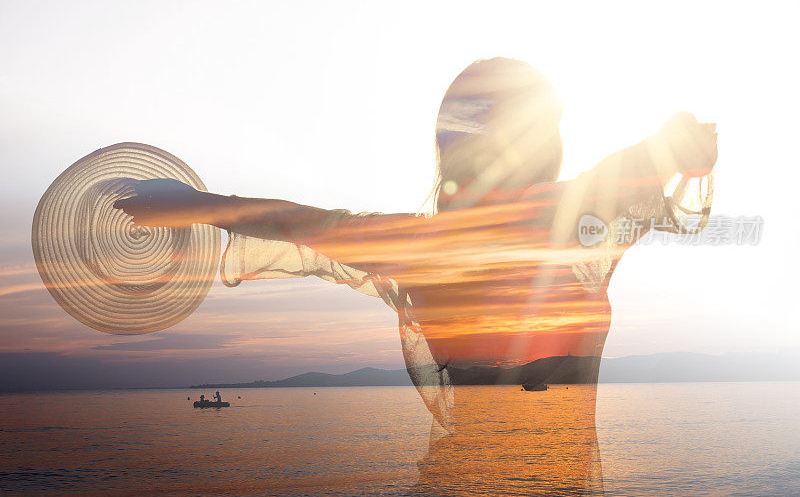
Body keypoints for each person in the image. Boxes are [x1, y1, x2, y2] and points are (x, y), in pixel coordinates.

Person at [115, 58, 717, 493]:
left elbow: (296, 220)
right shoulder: (579, 214)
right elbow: (657, 153)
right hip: (555, 482)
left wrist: (195, 202)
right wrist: (678, 140)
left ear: (449, 147)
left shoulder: (422, 244)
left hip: (460, 480)